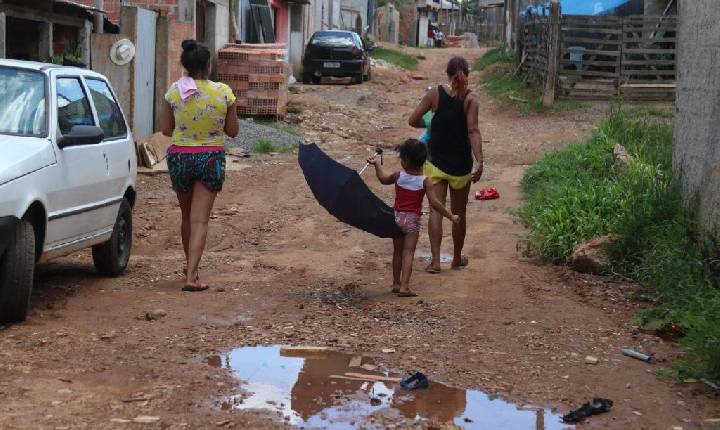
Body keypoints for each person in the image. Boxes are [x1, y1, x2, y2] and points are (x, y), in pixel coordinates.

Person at [161, 40, 239, 291]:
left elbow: (165, 130)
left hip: (180, 157)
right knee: (200, 221)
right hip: (210, 158)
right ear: (209, 64)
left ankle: (190, 267)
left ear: (185, 65)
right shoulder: (224, 93)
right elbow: (233, 131)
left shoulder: (173, 91)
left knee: (186, 217)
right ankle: (192, 276)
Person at [408, 56, 483, 274]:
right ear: (467, 74)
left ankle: (436, 262)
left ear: (448, 75)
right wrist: (480, 160)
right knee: (459, 213)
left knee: (435, 211)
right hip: (460, 167)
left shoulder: (435, 94)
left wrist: (433, 121)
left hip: (435, 163)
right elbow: (473, 131)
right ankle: (457, 259)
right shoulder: (471, 99)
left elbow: (413, 120)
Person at [368, 139, 460, 297]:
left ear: (404, 161)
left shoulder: (398, 176)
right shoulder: (425, 181)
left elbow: (383, 180)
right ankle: (405, 287)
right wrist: (450, 216)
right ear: (423, 162)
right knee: (408, 252)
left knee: (397, 251)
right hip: (412, 221)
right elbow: (435, 203)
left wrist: (376, 164)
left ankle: (396, 283)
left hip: (396, 217)